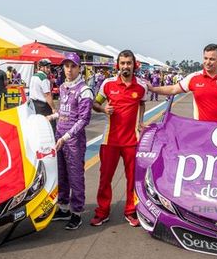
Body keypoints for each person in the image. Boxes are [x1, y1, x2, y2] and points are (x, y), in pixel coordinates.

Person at [91, 50, 148, 227]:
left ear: (134, 64)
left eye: (128, 63)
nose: (125, 66)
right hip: (110, 141)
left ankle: (131, 211)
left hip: (132, 141)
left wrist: (141, 121)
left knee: (133, 179)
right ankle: (102, 212)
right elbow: (95, 103)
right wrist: (103, 109)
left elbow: (142, 103)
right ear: (118, 65)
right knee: (105, 179)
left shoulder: (141, 87)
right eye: (122, 63)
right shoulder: (107, 84)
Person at [47, 53, 93, 230]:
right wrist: (50, 117)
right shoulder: (64, 86)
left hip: (73, 141)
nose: (69, 69)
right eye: (66, 66)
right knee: (61, 175)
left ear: (79, 68)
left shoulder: (84, 90)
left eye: (72, 66)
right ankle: (64, 208)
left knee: (75, 177)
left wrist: (66, 137)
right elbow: (64, 112)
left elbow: (83, 120)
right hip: (60, 137)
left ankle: (77, 213)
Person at [150, 43, 217, 121]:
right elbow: (173, 89)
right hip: (201, 131)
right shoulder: (194, 77)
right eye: (205, 58)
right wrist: (152, 88)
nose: (207, 62)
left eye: (212, 59)